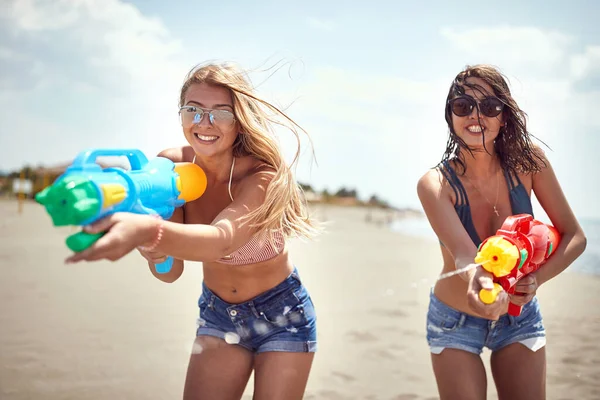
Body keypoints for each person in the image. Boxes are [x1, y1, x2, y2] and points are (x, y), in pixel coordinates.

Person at [65, 61, 320, 400]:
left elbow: (220, 241)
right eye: (194, 110)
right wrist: (154, 248)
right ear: (181, 113)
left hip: (283, 314)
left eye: (220, 113)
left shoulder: (261, 176)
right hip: (218, 314)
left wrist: (145, 232)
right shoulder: (170, 169)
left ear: (240, 120)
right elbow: (170, 272)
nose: (204, 122)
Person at [416, 64, 587, 400]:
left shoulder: (529, 164)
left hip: (519, 316)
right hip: (455, 319)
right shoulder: (435, 185)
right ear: (450, 115)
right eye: (463, 105)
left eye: (490, 106)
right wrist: (479, 280)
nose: (475, 115)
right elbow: (466, 253)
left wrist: (536, 280)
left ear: (504, 116)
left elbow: (575, 237)